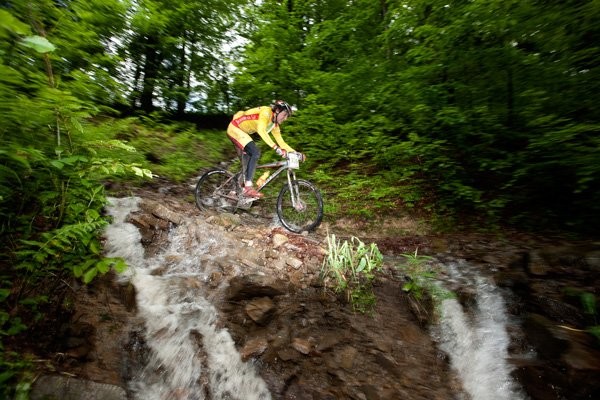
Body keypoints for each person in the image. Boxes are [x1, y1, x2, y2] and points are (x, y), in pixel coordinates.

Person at [226, 100, 303, 198]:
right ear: (277, 111)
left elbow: (281, 142)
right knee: (255, 152)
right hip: (235, 128)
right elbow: (261, 131)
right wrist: (275, 147)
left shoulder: (274, 125)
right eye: (284, 115)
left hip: (242, 133)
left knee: (247, 165)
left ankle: (232, 193)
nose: (285, 118)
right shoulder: (266, 113)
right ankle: (248, 188)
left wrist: (296, 153)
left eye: (287, 116)